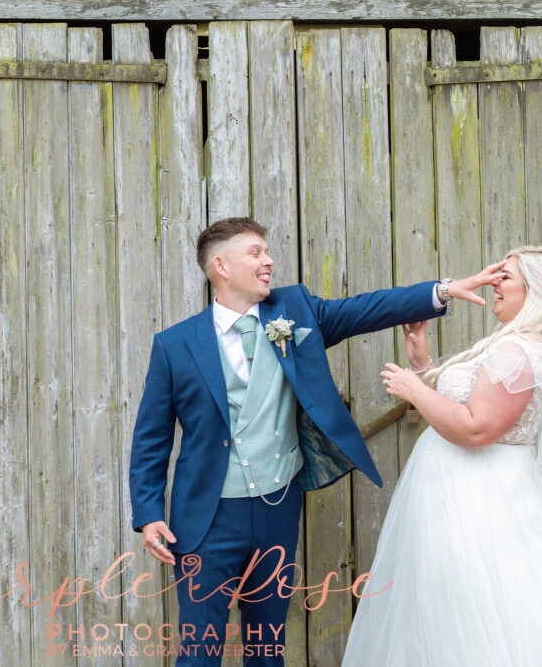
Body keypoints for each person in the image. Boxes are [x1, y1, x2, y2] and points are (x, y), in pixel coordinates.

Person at [128, 216, 507, 666]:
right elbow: (151, 438)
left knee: (267, 650)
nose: (269, 261)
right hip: (205, 516)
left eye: (268, 252)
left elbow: (367, 309)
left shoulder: (296, 310)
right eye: (255, 252)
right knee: (198, 653)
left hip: (277, 508)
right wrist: (149, 514)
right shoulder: (174, 345)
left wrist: (441, 290)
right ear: (221, 266)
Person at [342, 245, 542, 666]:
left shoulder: (518, 352)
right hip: (456, 496)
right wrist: (423, 363)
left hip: (477, 503)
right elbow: (461, 410)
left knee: (470, 609)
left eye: (506, 277)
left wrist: (415, 390)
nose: (495, 283)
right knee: (446, 611)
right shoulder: (513, 344)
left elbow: (477, 428)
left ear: (534, 290)